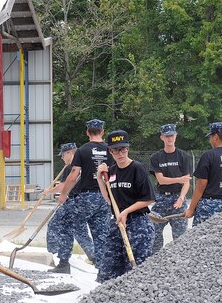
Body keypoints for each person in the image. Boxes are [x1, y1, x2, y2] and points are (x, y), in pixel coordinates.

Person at [97, 130, 156, 282]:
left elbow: (149, 199)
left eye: (123, 149)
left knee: (135, 270)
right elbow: (110, 200)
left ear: (128, 148)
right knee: (108, 268)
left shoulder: (137, 168)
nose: (121, 153)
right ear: (110, 151)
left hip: (138, 224)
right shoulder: (112, 171)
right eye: (116, 150)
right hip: (117, 223)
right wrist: (99, 178)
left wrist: (126, 212)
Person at [57, 119, 113, 278]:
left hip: (86, 196)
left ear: (87, 132)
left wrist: (63, 194)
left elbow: (74, 175)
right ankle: (103, 273)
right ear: (102, 131)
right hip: (104, 198)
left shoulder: (83, 150)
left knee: (69, 222)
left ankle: (72, 260)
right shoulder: (110, 150)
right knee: (101, 234)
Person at [45, 142, 95, 273]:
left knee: (56, 225)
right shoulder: (87, 165)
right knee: (79, 231)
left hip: (72, 202)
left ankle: (59, 256)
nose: (62, 158)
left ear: (70, 153)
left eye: (63, 155)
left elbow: (63, 186)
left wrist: (48, 192)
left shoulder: (72, 168)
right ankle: (94, 256)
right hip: (85, 202)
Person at [149, 124, 191, 252]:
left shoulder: (183, 156)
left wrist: (181, 198)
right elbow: (161, 180)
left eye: (172, 135)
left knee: (180, 237)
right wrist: (179, 179)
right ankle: (155, 260)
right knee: (154, 232)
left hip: (178, 198)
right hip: (161, 198)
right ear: (162, 137)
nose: (169, 138)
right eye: (167, 136)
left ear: (176, 136)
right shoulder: (156, 157)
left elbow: (187, 182)